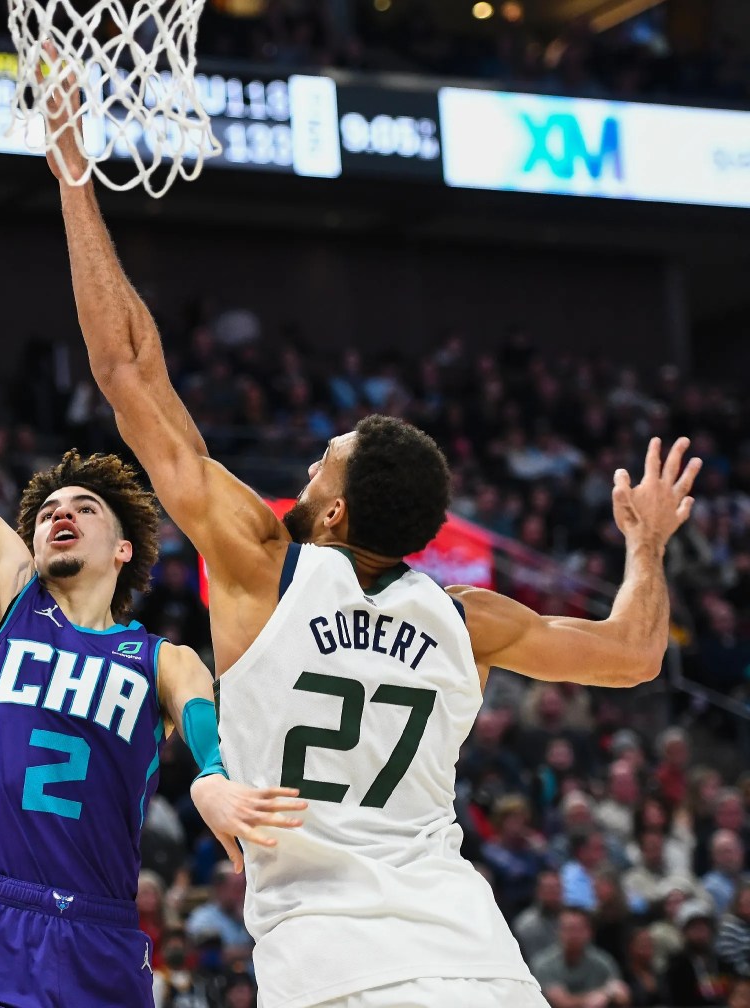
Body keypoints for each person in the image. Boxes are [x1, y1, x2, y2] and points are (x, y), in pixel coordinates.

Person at [44, 66, 701, 1008]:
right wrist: (645, 546)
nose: (309, 469)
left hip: (335, 972)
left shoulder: (261, 569)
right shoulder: (468, 621)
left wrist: (73, 172)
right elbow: (636, 655)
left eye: (323, 465)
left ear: (337, 513)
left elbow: (128, 370)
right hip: (482, 968)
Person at [0, 162, 304, 1008]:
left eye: (83, 508)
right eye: (46, 512)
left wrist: (214, 776)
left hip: (103, 938)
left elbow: (199, 709)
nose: (58, 515)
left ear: (124, 549)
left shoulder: (161, 658)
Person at [531, 907, 630, 1008]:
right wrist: (601, 994)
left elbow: (622, 996)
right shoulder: (544, 964)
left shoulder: (603, 961)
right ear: (558, 931)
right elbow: (563, 1003)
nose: (574, 935)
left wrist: (608, 994)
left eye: (579, 929)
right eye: (569, 929)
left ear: (590, 932)